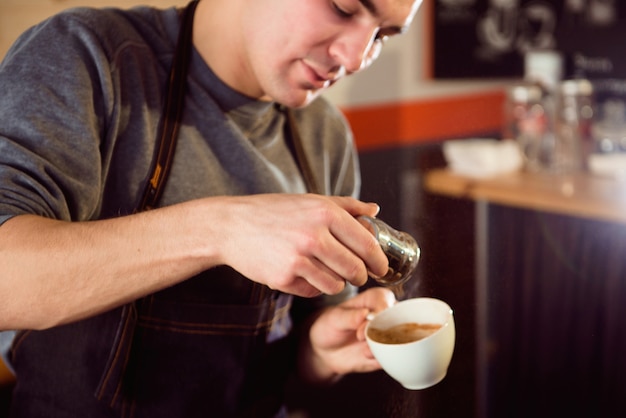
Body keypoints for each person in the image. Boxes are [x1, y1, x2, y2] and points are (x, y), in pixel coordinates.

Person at [0, 0, 421, 416]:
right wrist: (222, 229)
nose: (356, 57)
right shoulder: (88, 57)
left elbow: (297, 357)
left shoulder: (324, 135)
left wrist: (318, 353)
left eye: (382, 35)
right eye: (343, 8)